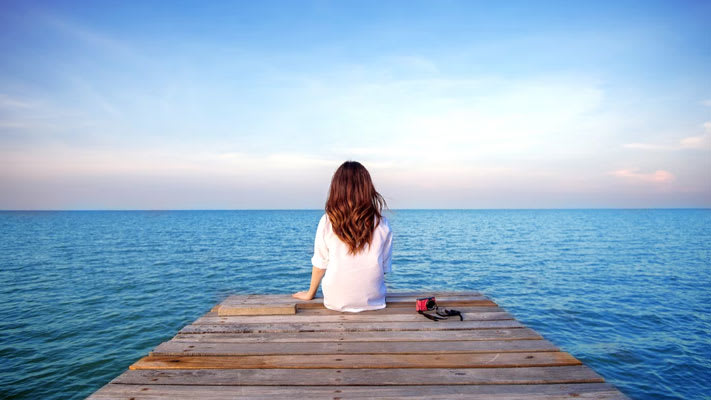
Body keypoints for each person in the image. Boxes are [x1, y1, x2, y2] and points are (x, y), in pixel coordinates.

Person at [292, 161, 392, 312]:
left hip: (335, 300)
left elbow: (320, 264)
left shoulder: (327, 221)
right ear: (367, 188)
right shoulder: (382, 224)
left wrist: (310, 294)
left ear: (337, 189)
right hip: (374, 300)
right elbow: (382, 267)